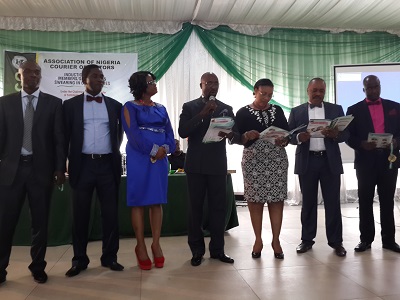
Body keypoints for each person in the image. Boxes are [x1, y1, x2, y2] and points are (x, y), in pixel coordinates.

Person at [0, 61, 65, 284]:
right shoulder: (4, 103)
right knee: (5, 222)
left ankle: (38, 266)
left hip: (41, 172)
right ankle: (0, 269)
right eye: (28, 71)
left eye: (37, 72)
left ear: (40, 76)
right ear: (20, 75)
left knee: (40, 222)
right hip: (11, 173)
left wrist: (59, 168)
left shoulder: (54, 104)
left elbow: (59, 140)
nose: (33, 75)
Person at [63, 64, 124, 277]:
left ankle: (110, 257)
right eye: (95, 76)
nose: (100, 79)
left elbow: (118, 135)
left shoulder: (115, 105)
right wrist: (63, 165)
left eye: (102, 76)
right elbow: (63, 138)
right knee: (80, 216)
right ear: (84, 79)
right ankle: (79, 260)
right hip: (82, 165)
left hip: (108, 165)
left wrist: (111, 152)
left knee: (110, 215)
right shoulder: (69, 105)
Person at [178, 72, 242, 266]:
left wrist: (230, 134)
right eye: (209, 83)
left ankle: (218, 250)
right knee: (195, 210)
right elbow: (182, 131)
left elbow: (237, 136)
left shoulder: (226, 108)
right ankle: (197, 251)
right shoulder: (190, 107)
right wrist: (203, 114)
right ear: (201, 85)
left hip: (217, 165)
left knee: (218, 209)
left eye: (216, 83)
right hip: (196, 165)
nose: (213, 86)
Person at [288, 77, 348, 257]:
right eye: (315, 90)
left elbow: (346, 134)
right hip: (308, 161)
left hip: (329, 161)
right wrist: (299, 138)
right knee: (308, 203)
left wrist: (336, 134)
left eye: (321, 90)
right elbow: (289, 136)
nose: (318, 94)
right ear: (308, 90)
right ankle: (306, 240)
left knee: (333, 203)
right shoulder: (297, 111)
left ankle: (336, 242)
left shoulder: (335, 109)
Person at [121, 71, 175, 270]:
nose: (154, 84)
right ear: (141, 87)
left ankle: (156, 244)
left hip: (161, 159)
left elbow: (170, 133)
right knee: (139, 200)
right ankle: (141, 245)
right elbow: (132, 134)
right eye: (150, 82)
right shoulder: (129, 107)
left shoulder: (161, 108)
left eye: (154, 81)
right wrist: (153, 150)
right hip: (139, 157)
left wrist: (166, 149)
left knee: (156, 200)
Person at [346, 75, 400, 253]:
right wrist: (361, 144)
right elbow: (348, 136)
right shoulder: (353, 110)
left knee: (387, 201)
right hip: (365, 162)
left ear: (380, 87)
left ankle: (389, 240)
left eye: (376, 87)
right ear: (364, 90)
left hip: (389, 161)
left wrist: (397, 142)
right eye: (369, 88)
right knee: (365, 201)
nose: (373, 90)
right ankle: (366, 240)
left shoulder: (395, 107)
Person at [235, 79, 288, 259]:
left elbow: (287, 133)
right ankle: (258, 239)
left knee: (276, 200)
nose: (266, 98)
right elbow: (235, 137)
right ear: (254, 91)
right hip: (253, 161)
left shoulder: (277, 110)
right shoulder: (243, 112)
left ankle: (276, 240)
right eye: (263, 94)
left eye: (270, 95)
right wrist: (245, 136)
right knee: (255, 201)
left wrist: (284, 140)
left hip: (277, 160)